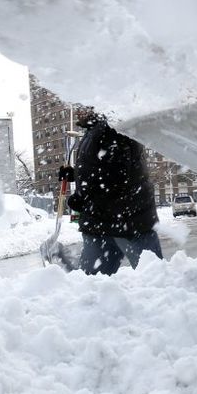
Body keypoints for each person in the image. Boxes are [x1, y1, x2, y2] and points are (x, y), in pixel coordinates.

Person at [64, 106, 162, 275]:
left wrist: (83, 197)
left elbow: (118, 177)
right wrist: (74, 175)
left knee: (156, 279)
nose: (75, 110)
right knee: (89, 287)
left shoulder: (111, 128)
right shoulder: (94, 130)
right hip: (103, 224)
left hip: (127, 223)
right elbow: (98, 169)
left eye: (80, 105)